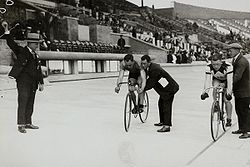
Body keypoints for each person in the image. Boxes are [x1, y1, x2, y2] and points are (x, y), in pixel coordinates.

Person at [2, 21, 44, 133]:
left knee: (30, 102)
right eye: (36, 44)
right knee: (23, 102)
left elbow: (38, 69)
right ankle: (21, 124)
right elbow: (11, 44)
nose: (37, 45)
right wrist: (6, 31)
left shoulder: (35, 54)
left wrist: (41, 82)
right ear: (30, 43)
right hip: (23, 82)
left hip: (33, 83)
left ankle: (28, 122)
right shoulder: (22, 51)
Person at [140, 55, 179, 132]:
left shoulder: (154, 69)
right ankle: (162, 121)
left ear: (149, 62)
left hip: (170, 88)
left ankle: (167, 126)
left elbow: (151, 83)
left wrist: (142, 89)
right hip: (165, 89)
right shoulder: (150, 68)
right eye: (142, 63)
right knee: (160, 103)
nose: (143, 65)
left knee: (166, 106)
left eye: (144, 63)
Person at [201, 53, 233, 127]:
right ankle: (216, 104)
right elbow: (207, 81)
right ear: (211, 63)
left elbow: (230, 81)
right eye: (214, 64)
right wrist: (205, 92)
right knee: (215, 87)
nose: (215, 66)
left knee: (226, 100)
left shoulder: (228, 66)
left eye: (218, 64)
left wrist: (229, 93)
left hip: (226, 80)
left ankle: (229, 118)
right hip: (216, 79)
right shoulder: (208, 67)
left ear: (221, 62)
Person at [228, 43, 250, 139]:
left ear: (237, 50)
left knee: (244, 111)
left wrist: (227, 81)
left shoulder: (242, 61)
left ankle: (246, 131)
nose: (229, 52)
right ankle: (241, 128)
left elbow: (237, 76)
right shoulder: (236, 59)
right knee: (239, 110)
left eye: (231, 50)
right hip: (239, 90)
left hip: (244, 90)